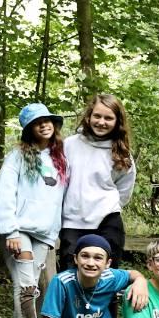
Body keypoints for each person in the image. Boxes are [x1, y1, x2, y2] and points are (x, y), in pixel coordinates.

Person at [0, 102, 66, 318]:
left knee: (31, 288)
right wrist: (10, 230)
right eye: (38, 122)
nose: (45, 125)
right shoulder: (18, 156)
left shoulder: (60, 158)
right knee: (25, 287)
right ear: (29, 129)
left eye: (48, 120)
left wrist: (54, 233)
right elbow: (5, 193)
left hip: (44, 234)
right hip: (19, 230)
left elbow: (58, 199)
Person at [59, 93, 136, 264]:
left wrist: (106, 206)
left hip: (108, 222)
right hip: (73, 222)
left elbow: (124, 188)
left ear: (117, 122)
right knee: (72, 277)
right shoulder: (69, 145)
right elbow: (59, 183)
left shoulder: (121, 152)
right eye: (97, 116)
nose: (102, 122)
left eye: (108, 118)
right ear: (89, 116)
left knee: (107, 278)